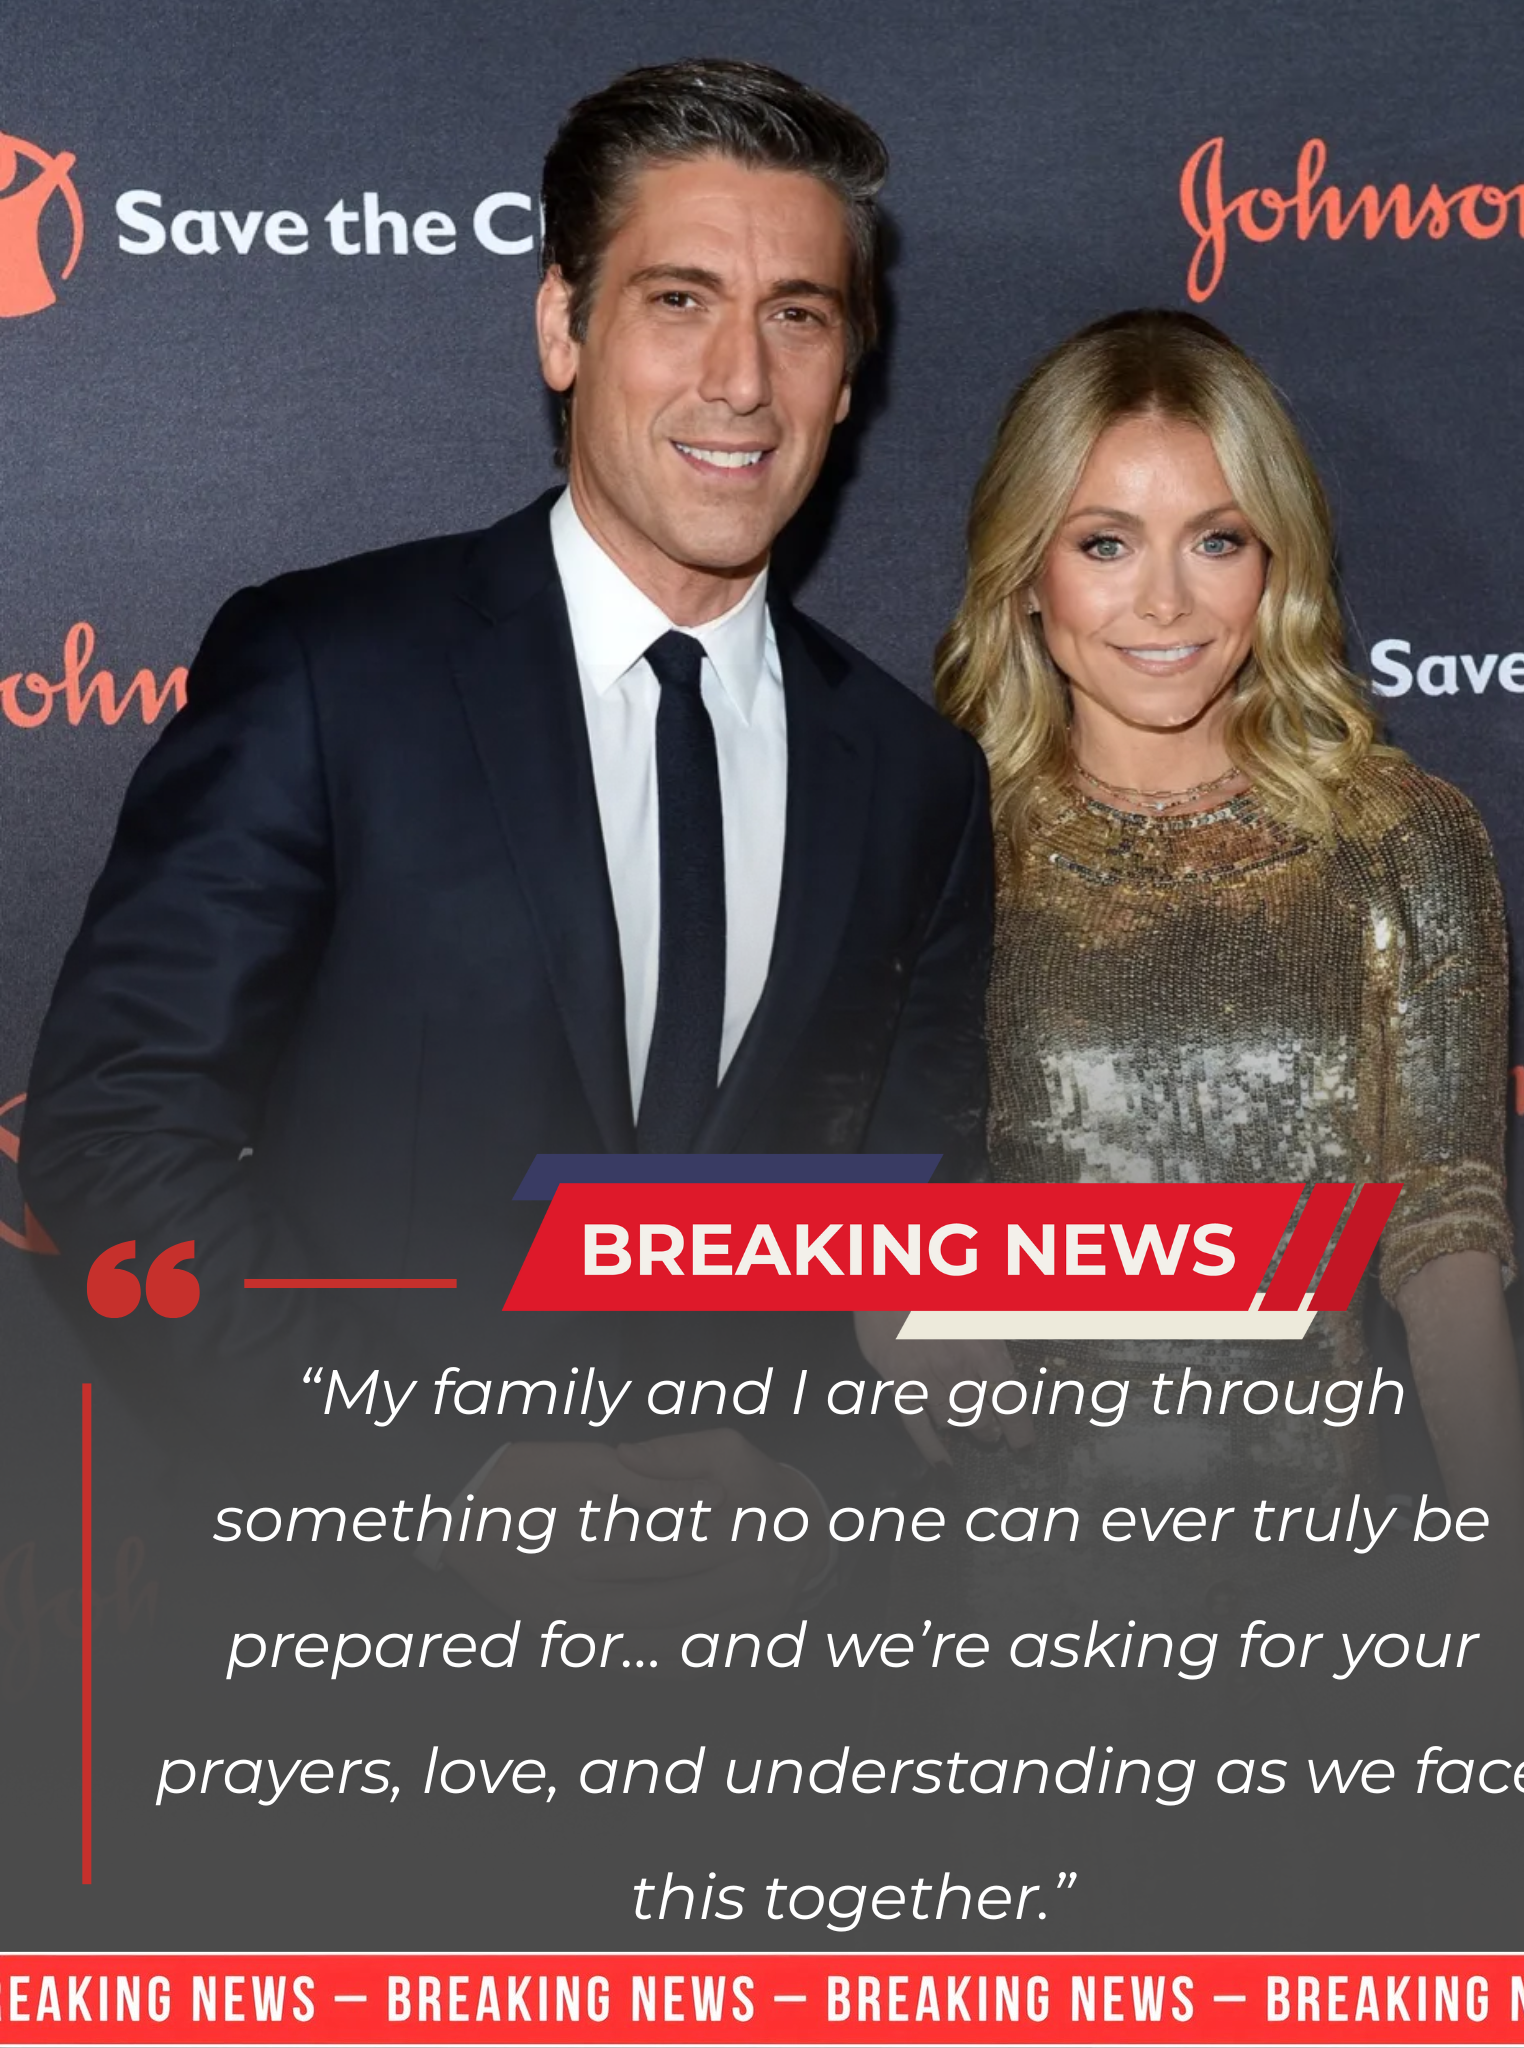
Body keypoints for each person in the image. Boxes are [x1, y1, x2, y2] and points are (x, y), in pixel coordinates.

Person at [20, 59, 991, 1635]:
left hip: (768, 1674)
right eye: (678, 300)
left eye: (799, 315)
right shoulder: (331, 670)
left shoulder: (915, 779)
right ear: (562, 326)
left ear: (847, 371)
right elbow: (116, 1136)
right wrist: (437, 1486)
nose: (740, 378)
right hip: (358, 1653)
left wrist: (822, 1494)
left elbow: (900, 1228)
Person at [915, 307, 1524, 1664]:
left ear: (1277, 565)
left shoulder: (1400, 839)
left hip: (1312, 1599)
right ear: (1026, 575)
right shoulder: (933, 845)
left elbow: (1440, 1233)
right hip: (1014, 1599)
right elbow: (844, 1185)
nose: (1165, 604)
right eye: (1105, 543)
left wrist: (1504, 1562)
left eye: (1216, 540)